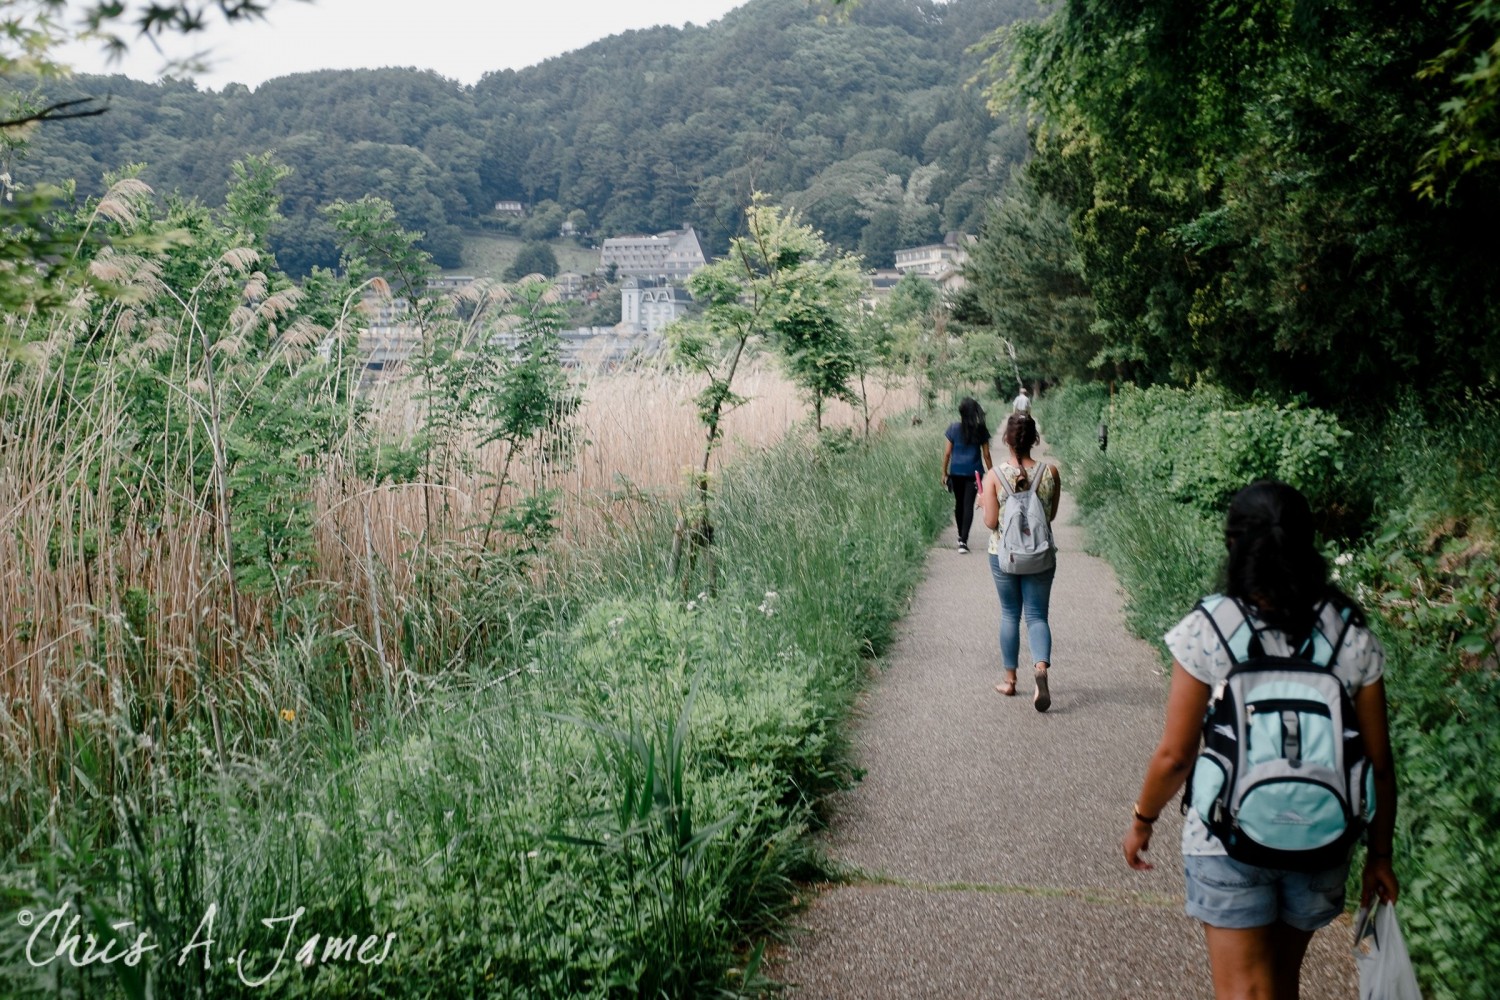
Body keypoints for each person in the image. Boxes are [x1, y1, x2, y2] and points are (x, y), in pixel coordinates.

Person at [1122, 480, 1400, 1000]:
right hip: (1323, 838)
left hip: (1225, 838)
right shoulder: (1351, 635)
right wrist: (1380, 856)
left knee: (1245, 990)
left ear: (1233, 544)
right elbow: (1379, 764)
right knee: (1280, 982)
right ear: (1308, 543)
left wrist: (1143, 820)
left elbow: (1177, 756)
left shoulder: (1209, 627)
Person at [979, 411, 1061, 708]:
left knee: (1010, 614)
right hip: (1040, 553)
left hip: (1004, 555)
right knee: (1037, 616)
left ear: (1007, 440)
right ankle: (1040, 670)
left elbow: (991, 523)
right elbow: (1050, 516)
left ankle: (1010, 681)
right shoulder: (1050, 472)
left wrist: (984, 501)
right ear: (1034, 439)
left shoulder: (994, 476)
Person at [941, 397, 992, 554]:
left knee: (959, 503)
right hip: (974, 473)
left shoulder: (953, 428)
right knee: (968, 505)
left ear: (961, 412)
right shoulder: (981, 430)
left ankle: (960, 535)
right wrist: (992, 473)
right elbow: (986, 455)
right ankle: (963, 540)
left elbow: (947, 453)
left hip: (956, 472)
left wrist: (944, 472)